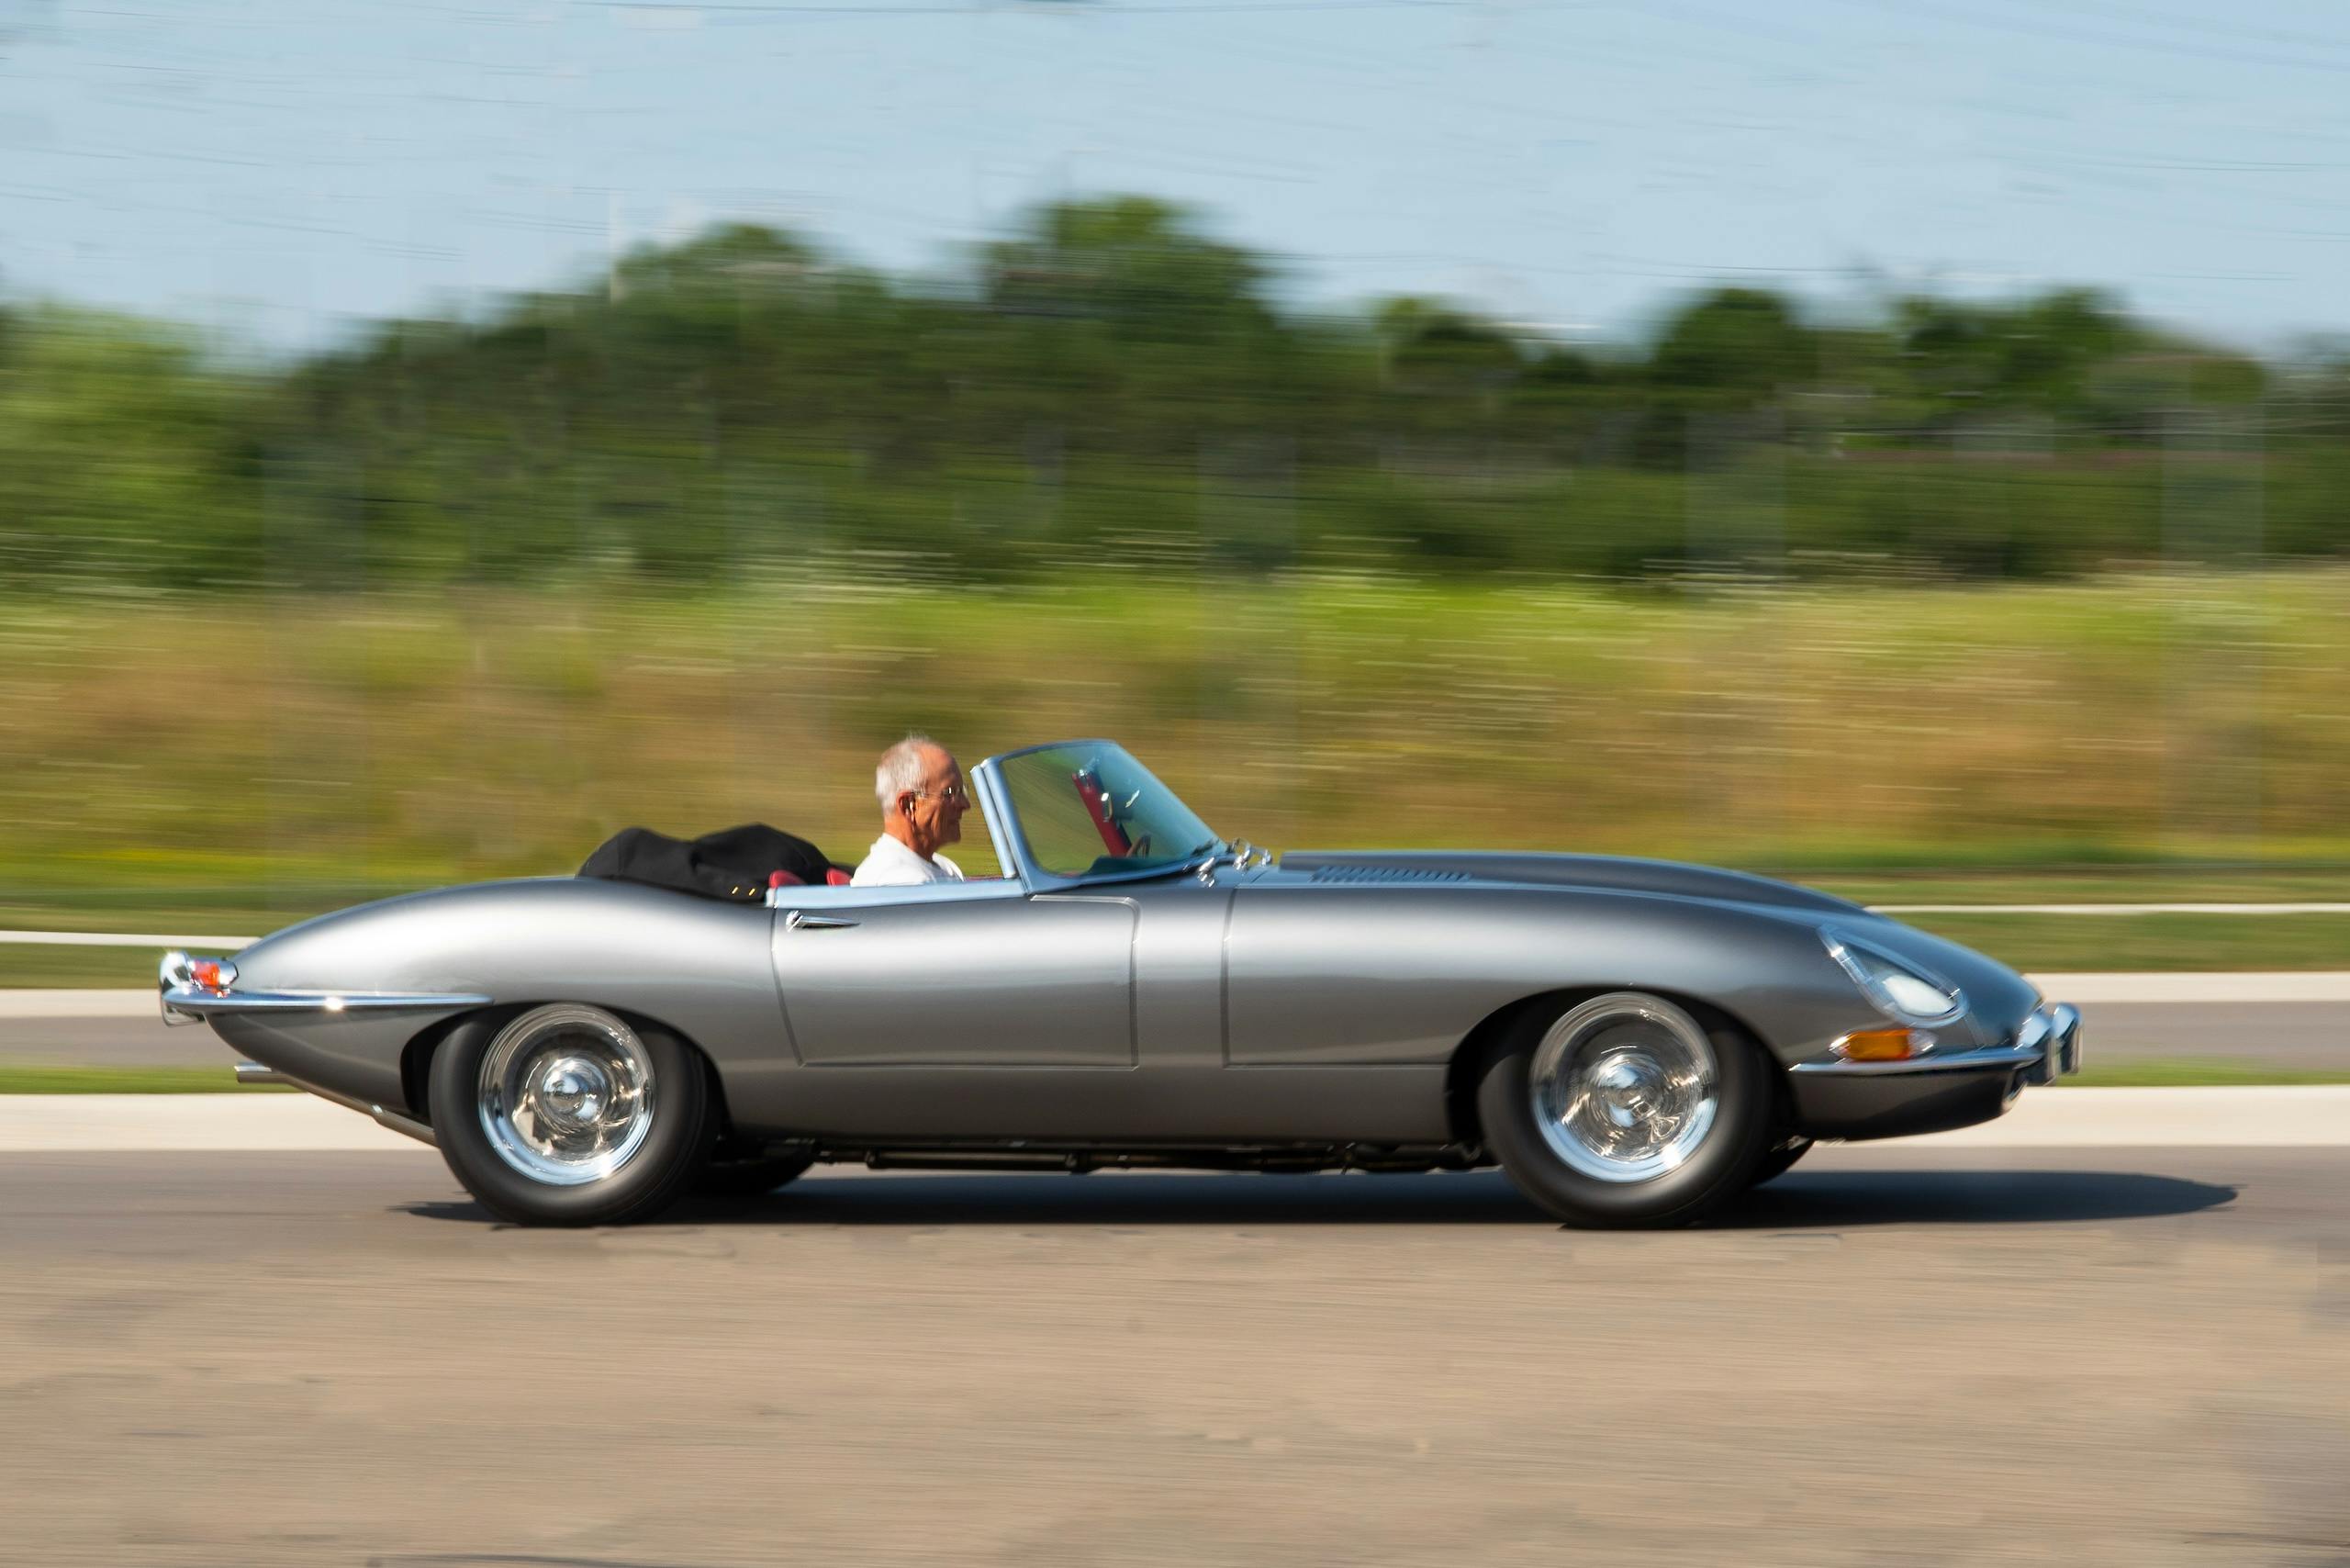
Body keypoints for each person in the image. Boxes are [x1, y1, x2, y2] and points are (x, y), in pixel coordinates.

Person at [850, 734, 970, 886]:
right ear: (908, 805)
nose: (965, 805)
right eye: (950, 793)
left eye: (962, 792)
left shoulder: (944, 868)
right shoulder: (898, 880)